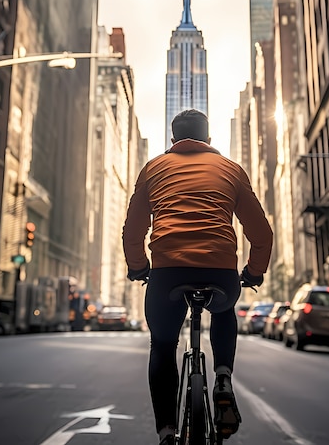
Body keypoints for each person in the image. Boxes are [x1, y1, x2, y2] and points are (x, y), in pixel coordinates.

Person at [122, 109, 273, 444]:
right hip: (220, 270)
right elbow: (261, 234)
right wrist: (254, 272)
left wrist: (138, 266)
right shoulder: (231, 170)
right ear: (208, 139)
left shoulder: (153, 169)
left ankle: (165, 434)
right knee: (223, 310)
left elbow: (133, 231)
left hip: (166, 271)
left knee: (162, 346)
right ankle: (222, 378)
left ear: (173, 140)